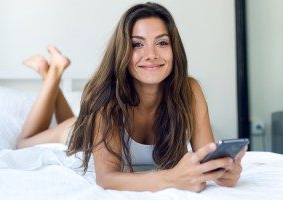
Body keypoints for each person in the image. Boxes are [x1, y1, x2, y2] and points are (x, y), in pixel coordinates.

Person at [17, 2, 247, 192]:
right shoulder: (106, 98)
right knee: (24, 143)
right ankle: (52, 74)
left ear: (174, 49)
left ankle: (53, 71)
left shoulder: (189, 89)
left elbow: (205, 157)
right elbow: (106, 178)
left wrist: (225, 170)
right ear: (123, 52)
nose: (151, 55)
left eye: (162, 43)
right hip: (78, 134)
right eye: (137, 44)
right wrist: (171, 179)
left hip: (94, 129)